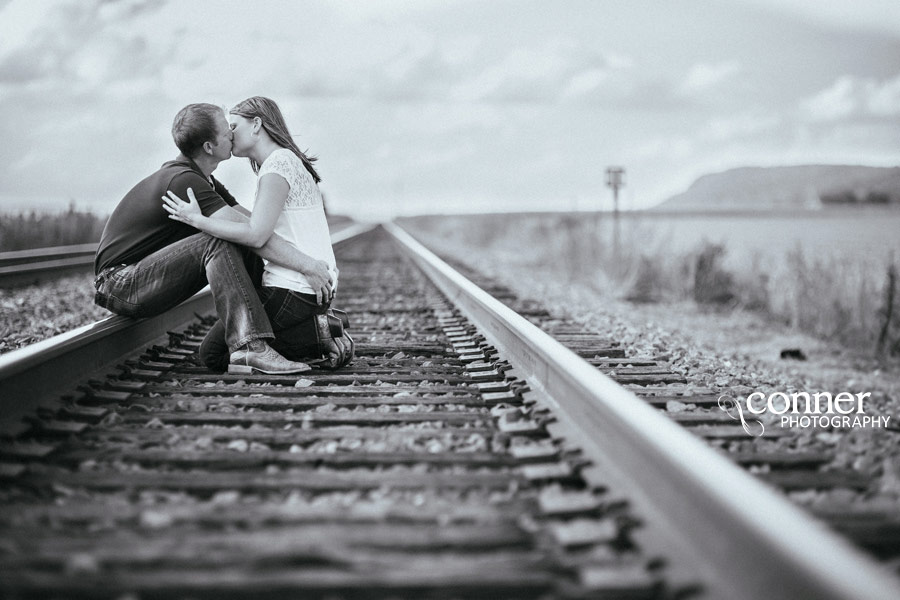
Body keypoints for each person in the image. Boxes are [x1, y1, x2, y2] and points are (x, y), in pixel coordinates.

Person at [94, 103, 333, 374]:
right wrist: (307, 265)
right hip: (120, 283)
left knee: (236, 242)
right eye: (226, 130)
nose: (232, 134)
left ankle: (305, 333)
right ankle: (249, 347)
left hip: (141, 277)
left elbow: (253, 226)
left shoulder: (204, 180)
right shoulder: (184, 181)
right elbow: (255, 236)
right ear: (209, 147)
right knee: (217, 240)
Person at [163, 96, 352, 372]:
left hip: (293, 289)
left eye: (234, 126)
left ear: (256, 125)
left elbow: (256, 235)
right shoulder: (285, 162)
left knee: (214, 353)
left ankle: (319, 334)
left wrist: (197, 220)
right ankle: (320, 334)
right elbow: (249, 219)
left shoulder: (276, 166)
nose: (229, 133)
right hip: (308, 289)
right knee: (242, 341)